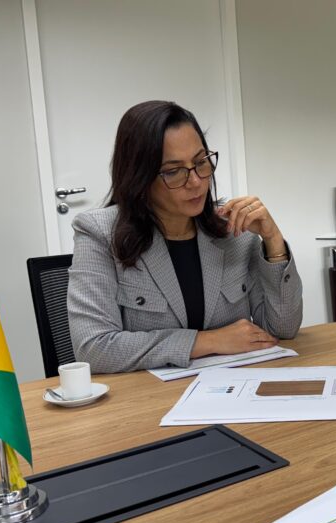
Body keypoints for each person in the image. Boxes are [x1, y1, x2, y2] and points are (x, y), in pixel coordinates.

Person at [68, 100, 303, 373]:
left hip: (233, 385)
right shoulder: (99, 233)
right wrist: (208, 341)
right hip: (148, 394)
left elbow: (282, 329)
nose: (196, 181)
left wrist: (273, 240)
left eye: (201, 162)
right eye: (173, 171)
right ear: (139, 177)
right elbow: (94, 349)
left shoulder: (234, 228)